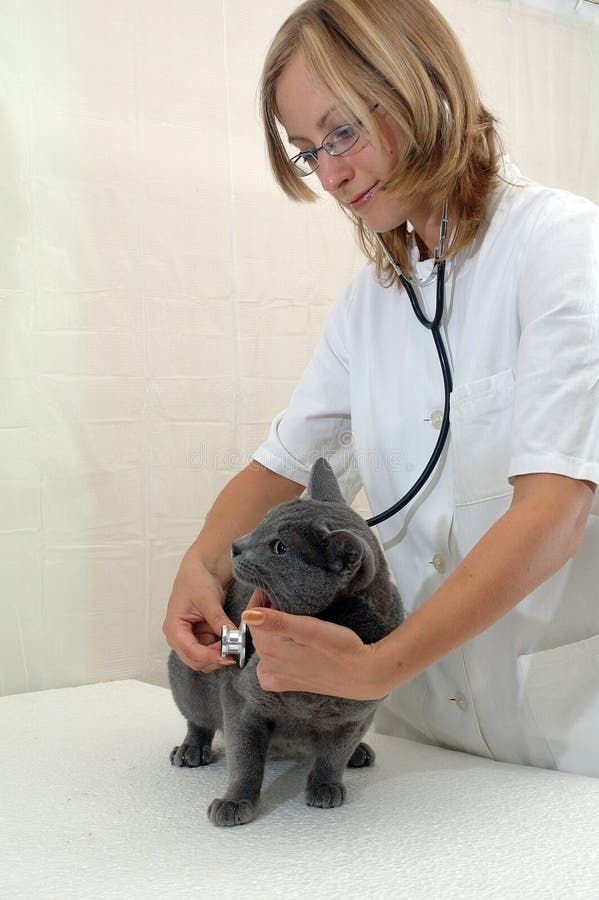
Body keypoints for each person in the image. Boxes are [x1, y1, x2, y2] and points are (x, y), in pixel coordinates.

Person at [163, 0, 599, 777]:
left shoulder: (562, 245)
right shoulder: (371, 301)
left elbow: (553, 509)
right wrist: (200, 566)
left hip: (561, 734)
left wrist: (376, 664)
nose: (329, 174)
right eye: (306, 151)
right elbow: (281, 465)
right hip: (421, 732)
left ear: (423, 88)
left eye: (341, 132)